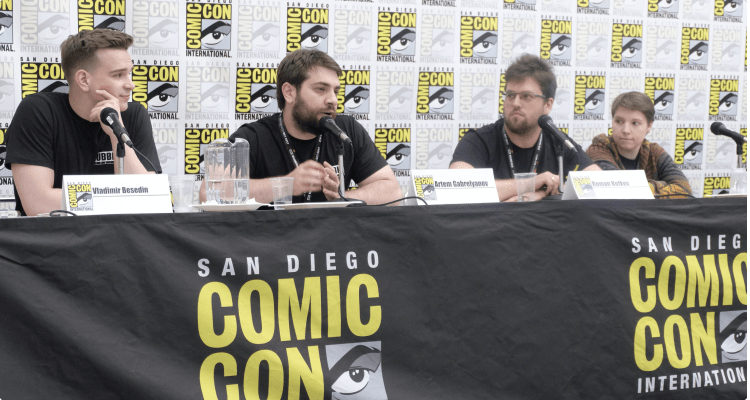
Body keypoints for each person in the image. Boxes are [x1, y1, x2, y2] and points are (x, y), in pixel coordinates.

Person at [200, 50, 401, 205]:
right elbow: (208, 193)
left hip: (332, 242)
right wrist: (285, 185)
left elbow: (393, 192)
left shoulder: (346, 131)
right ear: (289, 92)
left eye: (336, 91)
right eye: (321, 89)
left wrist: (341, 198)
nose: (333, 99)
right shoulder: (254, 136)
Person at [5, 29, 160, 216]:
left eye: (129, 74)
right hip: (58, 234)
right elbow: (39, 204)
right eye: (118, 75)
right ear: (84, 80)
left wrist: (116, 132)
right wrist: (120, 196)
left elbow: (148, 201)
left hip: (118, 234)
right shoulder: (38, 111)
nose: (131, 84)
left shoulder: (133, 114)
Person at [450, 54, 600, 201]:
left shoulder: (560, 143)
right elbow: (457, 187)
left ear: (548, 105)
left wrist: (543, 193)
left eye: (526, 96)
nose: (515, 103)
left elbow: (599, 184)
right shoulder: (479, 140)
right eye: (510, 95)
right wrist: (531, 183)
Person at [586, 91, 691, 198]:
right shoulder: (597, 149)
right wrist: (662, 185)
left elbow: (684, 190)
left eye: (635, 123)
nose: (626, 130)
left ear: (649, 126)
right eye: (619, 121)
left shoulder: (655, 152)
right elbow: (616, 188)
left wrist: (639, 188)